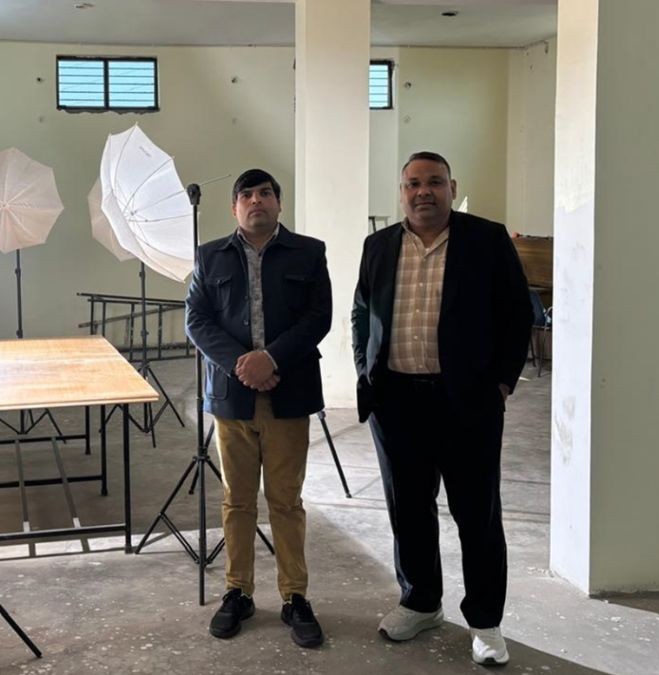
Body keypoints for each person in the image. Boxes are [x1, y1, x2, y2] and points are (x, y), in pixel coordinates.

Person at [351, 152, 532, 666]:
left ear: (452, 187)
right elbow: (362, 311)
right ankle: (421, 602)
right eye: (413, 183)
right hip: (396, 402)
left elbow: (517, 313)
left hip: (467, 403)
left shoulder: (486, 240)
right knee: (408, 509)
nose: (423, 191)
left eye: (434, 182)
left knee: (477, 514)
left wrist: (501, 383)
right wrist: (365, 370)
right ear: (401, 192)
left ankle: (486, 622)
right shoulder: (379, 246)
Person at [185, 168, 332, 648]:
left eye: (265, 193)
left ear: (278, 203)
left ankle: (295, 596)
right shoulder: (209, 257)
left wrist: (271, 359)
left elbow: (319, 317)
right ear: (234, 208)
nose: (256, 201)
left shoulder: (309, 252)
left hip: (289, 394)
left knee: (286, 500)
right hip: (233, 398)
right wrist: (242, 364)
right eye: (246, 195)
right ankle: (238, 592)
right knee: (237, 500)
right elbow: (197, 321)